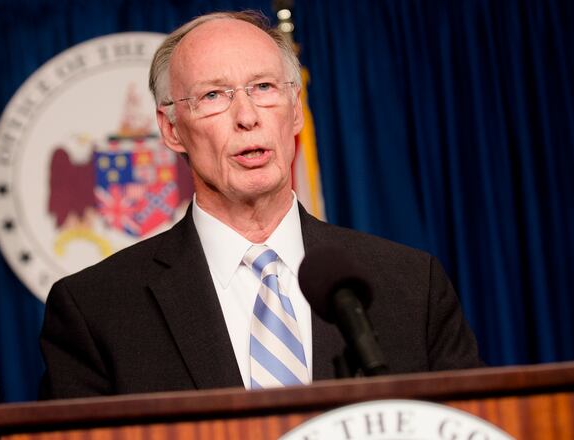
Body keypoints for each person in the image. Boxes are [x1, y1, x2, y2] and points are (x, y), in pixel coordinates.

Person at [38, 10, 480, 400]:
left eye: (264, 87)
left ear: (294, 111)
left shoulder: (410, 285)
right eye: (213, 96)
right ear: (172, 130)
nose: (247, 116)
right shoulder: (96, 310)